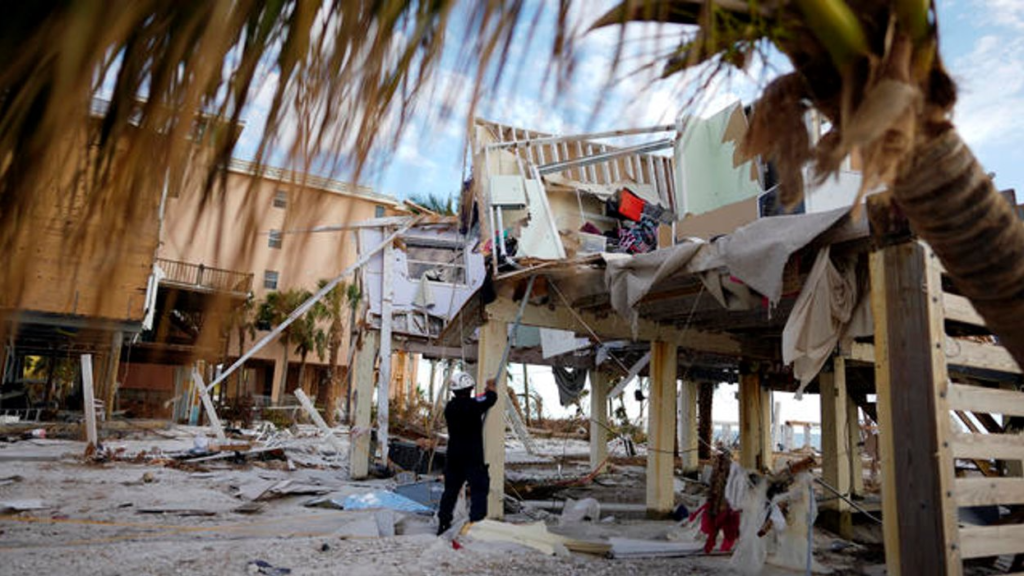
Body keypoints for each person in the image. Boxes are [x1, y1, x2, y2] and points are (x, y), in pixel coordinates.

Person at [436, 371, 497, 535]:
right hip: (473, 456)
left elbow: (482, 400)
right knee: (479, 489)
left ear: (453, 391)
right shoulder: (474, 405)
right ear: (470, 388)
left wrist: (487, 393)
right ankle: (476, 524)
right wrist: (490, 389)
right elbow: (490, 399)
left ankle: (443, 523)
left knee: (450, 492)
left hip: (454, 456)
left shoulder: (450, 407)